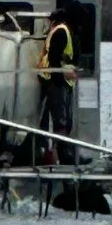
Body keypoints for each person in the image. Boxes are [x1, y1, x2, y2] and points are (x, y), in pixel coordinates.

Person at [37, 9, 75, 163]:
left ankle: (50, 152)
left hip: (50, 80)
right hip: (56, 82)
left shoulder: (57, 31)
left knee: (53, 119)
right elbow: (54, 58)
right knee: (61, 121)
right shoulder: (61, 32)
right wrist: (59, 78)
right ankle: (65, 157)